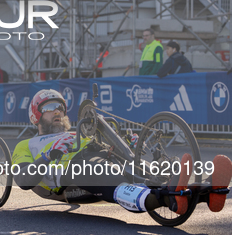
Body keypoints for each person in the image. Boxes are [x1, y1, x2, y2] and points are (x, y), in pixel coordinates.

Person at [12, 89, 232, 216]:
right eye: (49, 108)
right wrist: (49, 155)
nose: (57, 111)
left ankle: (205, 192)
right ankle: (167, 199)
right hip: (73, 172)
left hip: (103, 157)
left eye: (60, 107)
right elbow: (23, 179)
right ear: (35, 116)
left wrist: (126, 142)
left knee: (142, 173)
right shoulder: (27, 145)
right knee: (100, 170)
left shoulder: (79, 133)